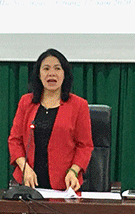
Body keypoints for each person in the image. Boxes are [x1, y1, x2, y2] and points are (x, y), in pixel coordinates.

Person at [8, 48, 94, 191]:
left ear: (65, 74)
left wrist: (73, 171)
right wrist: (24, 168)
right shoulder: (26, 102)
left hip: (64, 186)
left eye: (57, 68)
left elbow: (85, 146)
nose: (52, 73)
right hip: (29, 184)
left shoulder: (79, 105)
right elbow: (14, 140)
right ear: (39, 74)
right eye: (46, 68)